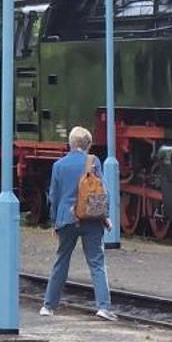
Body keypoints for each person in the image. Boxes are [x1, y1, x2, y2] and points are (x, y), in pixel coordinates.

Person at [40, 126, 115, 320]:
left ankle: (48, 306)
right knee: (97, 262)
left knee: (61, 261)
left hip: (66, 219)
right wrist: (105, 216)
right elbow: (102, 192)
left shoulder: (59, 165)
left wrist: (55, 221)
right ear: (88, 145)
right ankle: (103, 307)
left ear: (70, 144)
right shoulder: (93, 161)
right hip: (91, 219)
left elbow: (54, 196)